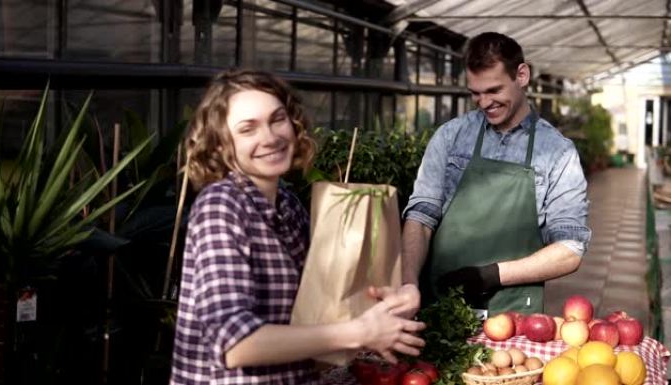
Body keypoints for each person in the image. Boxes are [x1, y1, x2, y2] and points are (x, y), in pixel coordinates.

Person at [170, 69, 425, 385]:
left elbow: (321, 307)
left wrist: (393, 299)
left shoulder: (288, 206)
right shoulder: (222, 206)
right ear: (222, 145)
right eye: (248, 129)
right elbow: (235, 344)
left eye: (277, 119)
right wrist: (360, 332)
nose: (270, 136)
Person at [376, 32, 592, 318]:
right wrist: (408, 284)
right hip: (440, 306)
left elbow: (570, 249)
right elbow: (421, 216)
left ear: (522, 75)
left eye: (493, 91)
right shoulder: (451, 136)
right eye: (475, 93)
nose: (484, 102)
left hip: (513, 316)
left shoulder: (558, 153)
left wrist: (492, 275)